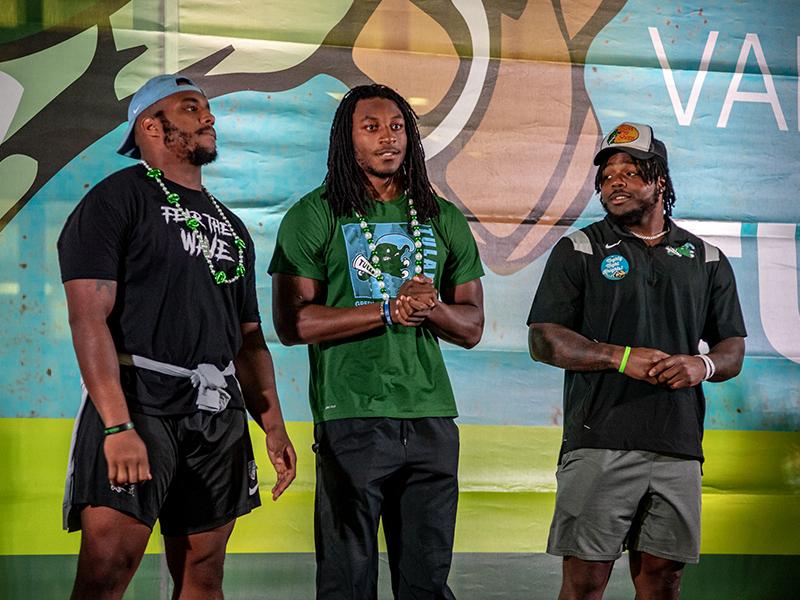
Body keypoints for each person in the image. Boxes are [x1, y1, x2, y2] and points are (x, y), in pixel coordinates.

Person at [58, 74, 296, 600]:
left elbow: (248, 338)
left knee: (204, 576)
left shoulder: (230, 226)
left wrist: (272, 424)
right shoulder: (116, 200)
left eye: (207, 109)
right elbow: (87, 319)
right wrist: (117, 425)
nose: (208, 118)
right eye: (191, 108)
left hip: (218, 414)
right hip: (139, 406)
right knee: (107, 569)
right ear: (150, 124)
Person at [268, 84, 485, 599]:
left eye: (397, 127)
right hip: (352, 415)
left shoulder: (441, 216)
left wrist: (431, 308)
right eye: (371, 128)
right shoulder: (314, 213)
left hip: (431, 417)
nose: (388, 138)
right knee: (348, 580)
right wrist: (386, 309)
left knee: (427, 583)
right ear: (347, 140)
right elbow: (292, 325)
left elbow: (473, 326)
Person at [527, 122, 746, 600]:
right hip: (600, 439)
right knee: (585, 582)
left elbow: (731, 350)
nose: (615, 183)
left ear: (659, 180)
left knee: (663, 580)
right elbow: (544, 341)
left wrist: (701, 366)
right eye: (606, 176)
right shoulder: (580, 249)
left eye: (629, 171)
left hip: (678, 445)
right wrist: (617, 357)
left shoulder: (706, 258)